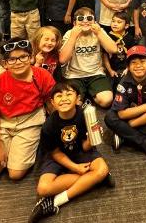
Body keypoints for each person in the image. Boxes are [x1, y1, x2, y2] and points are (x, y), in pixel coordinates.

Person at [29, 81, 112, 222]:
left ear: (78, 99)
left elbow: (85, 147)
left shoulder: (85, 115)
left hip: (80, 151)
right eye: (59, 96)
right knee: (43, 188)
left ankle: (55, 202)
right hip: (58, 156)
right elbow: (55, 153)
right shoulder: (49, 126)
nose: (64, 98)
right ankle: (95, 180)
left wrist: (92, 138)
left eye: (69, 94)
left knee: (101, 169)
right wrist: (75, 168)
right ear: (52, 103)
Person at [0, 38, 55, 183]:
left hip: (30, 121)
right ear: (4, 64)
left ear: (31, 58)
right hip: (4, 123)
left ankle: (19, 151)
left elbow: (51, 101)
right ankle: (9, 150)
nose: (18, 62)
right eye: (11, 59)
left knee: (15, 174)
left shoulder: (42, 75)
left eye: (23, 57)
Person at [104, 46, 146, 168]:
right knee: (109, 117)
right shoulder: (123, 82)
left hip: (145, 119)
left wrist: (129, 125)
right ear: (128, 67)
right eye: (133, 62)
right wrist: (144, 107)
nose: (138, 65)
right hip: (129, 116)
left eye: (142, 62)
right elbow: (121, 114)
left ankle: (123, 134)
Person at [59, 7, 118, 108]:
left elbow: (113, 50)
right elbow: (62, 60)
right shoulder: (70, 33)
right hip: (74, 75)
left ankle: (89, 94)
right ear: (74, 23)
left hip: (96, 74)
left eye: (89, 18)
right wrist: (73, 37)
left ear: (95, 21)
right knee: (73, 105)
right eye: (81, 19)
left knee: (106, 101)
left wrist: (99, 33)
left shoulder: (99, 31)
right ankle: (85, 95)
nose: (85, 21)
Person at [102, 11, 136, 90]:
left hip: (126, 69)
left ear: (126, 26)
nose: (115, 24)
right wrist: (110, 70)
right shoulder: (107, 37)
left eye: (119, 22)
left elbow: (132, 56)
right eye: (113, 21)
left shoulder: (129, 38)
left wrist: (128, 68)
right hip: (112, 69)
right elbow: (105, 55)